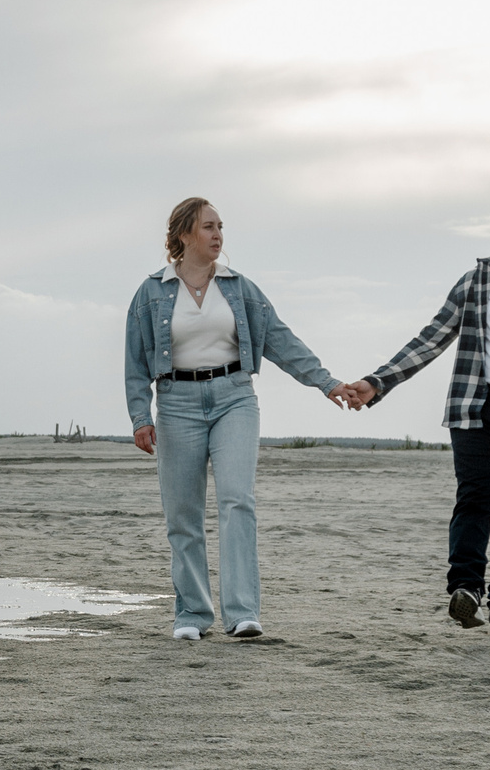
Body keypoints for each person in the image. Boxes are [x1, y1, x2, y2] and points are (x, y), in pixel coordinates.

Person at [328, 191, 490, 638]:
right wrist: (377, 382)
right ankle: (466, 588)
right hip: (478, 407)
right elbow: (432, 338)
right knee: (474, 497)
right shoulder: (478, 280)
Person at [125, 197, 351, 641]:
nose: (218, 235)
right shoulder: (151, 291)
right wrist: (140, 416)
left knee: (237, 502)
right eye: (208, 227)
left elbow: (280, 340)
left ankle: (243, 613)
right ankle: (191, 614)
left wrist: (326, 382)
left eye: (221, 227)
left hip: (234, 398)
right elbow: (135, 361)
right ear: (184, 234)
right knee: (183, 514)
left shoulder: (239, 287)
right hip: (175, 404)